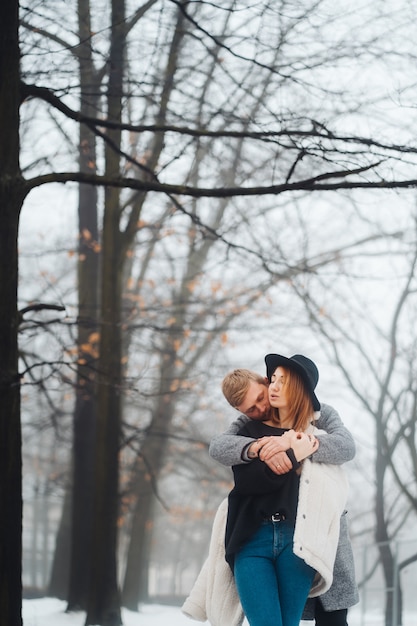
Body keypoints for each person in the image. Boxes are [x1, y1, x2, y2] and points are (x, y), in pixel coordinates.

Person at [209, 363, 359, 626]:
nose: (260, 409)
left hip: (312, 535)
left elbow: (346, 447)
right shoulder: (249, 426)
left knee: (333, 619)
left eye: (259, 398)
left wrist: (294, 443)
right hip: (257, 534)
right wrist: (258, 447)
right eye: (250, 409)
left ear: (266, 383)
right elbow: (220, 448)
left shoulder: (320, 416)